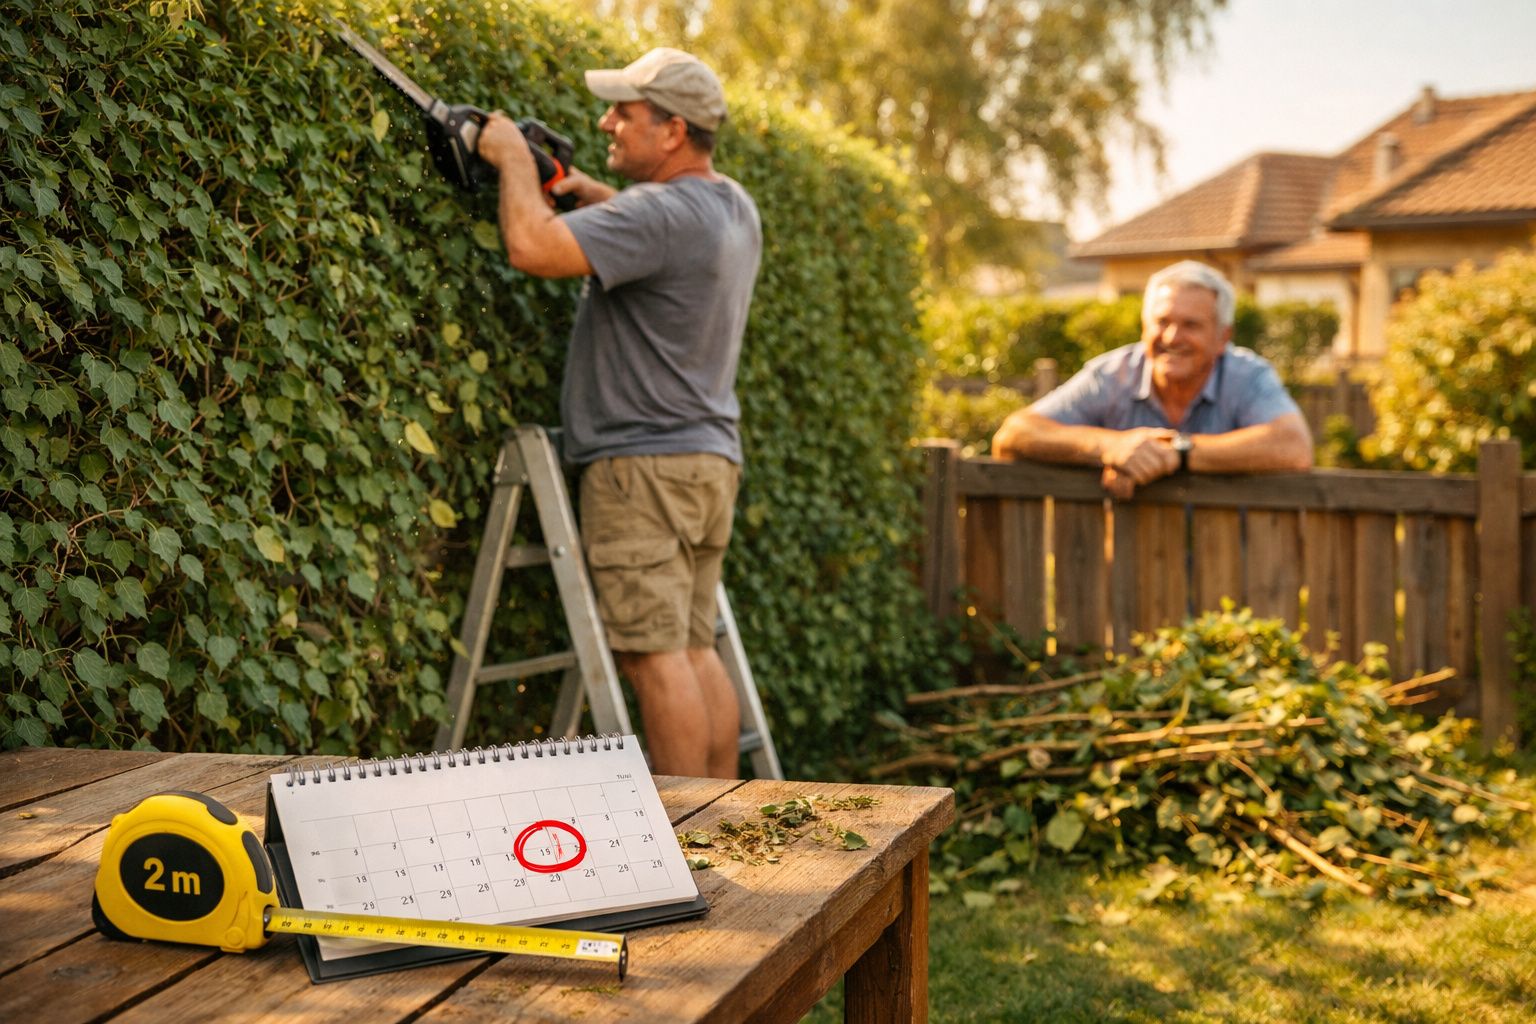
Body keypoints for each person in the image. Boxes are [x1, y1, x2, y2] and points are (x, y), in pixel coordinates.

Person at [476, 48, 762, 778]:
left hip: (642, 469)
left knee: (652, 659)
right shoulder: (730, 205)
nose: (606, 122)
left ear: (672, 132)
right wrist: (601, 198)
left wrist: (512, 157)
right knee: (696, 651)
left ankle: (691, 836)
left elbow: (532, 247)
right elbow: (663, 235)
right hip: (706, 461)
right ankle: (733, 821)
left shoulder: (656, 215)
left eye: (624, 113)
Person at [991, 261, 1313, 498]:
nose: (1172, 337)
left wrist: (1180, 452)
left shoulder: (1248, 376)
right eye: (1162, 322)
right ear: (1144, 328)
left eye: (1191, 325)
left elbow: (1294, 446)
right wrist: (1109, 446)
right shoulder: (1111, 375)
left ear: (1222, 337)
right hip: (1123, 569)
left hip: (1226, 568)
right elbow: (1012, 435)